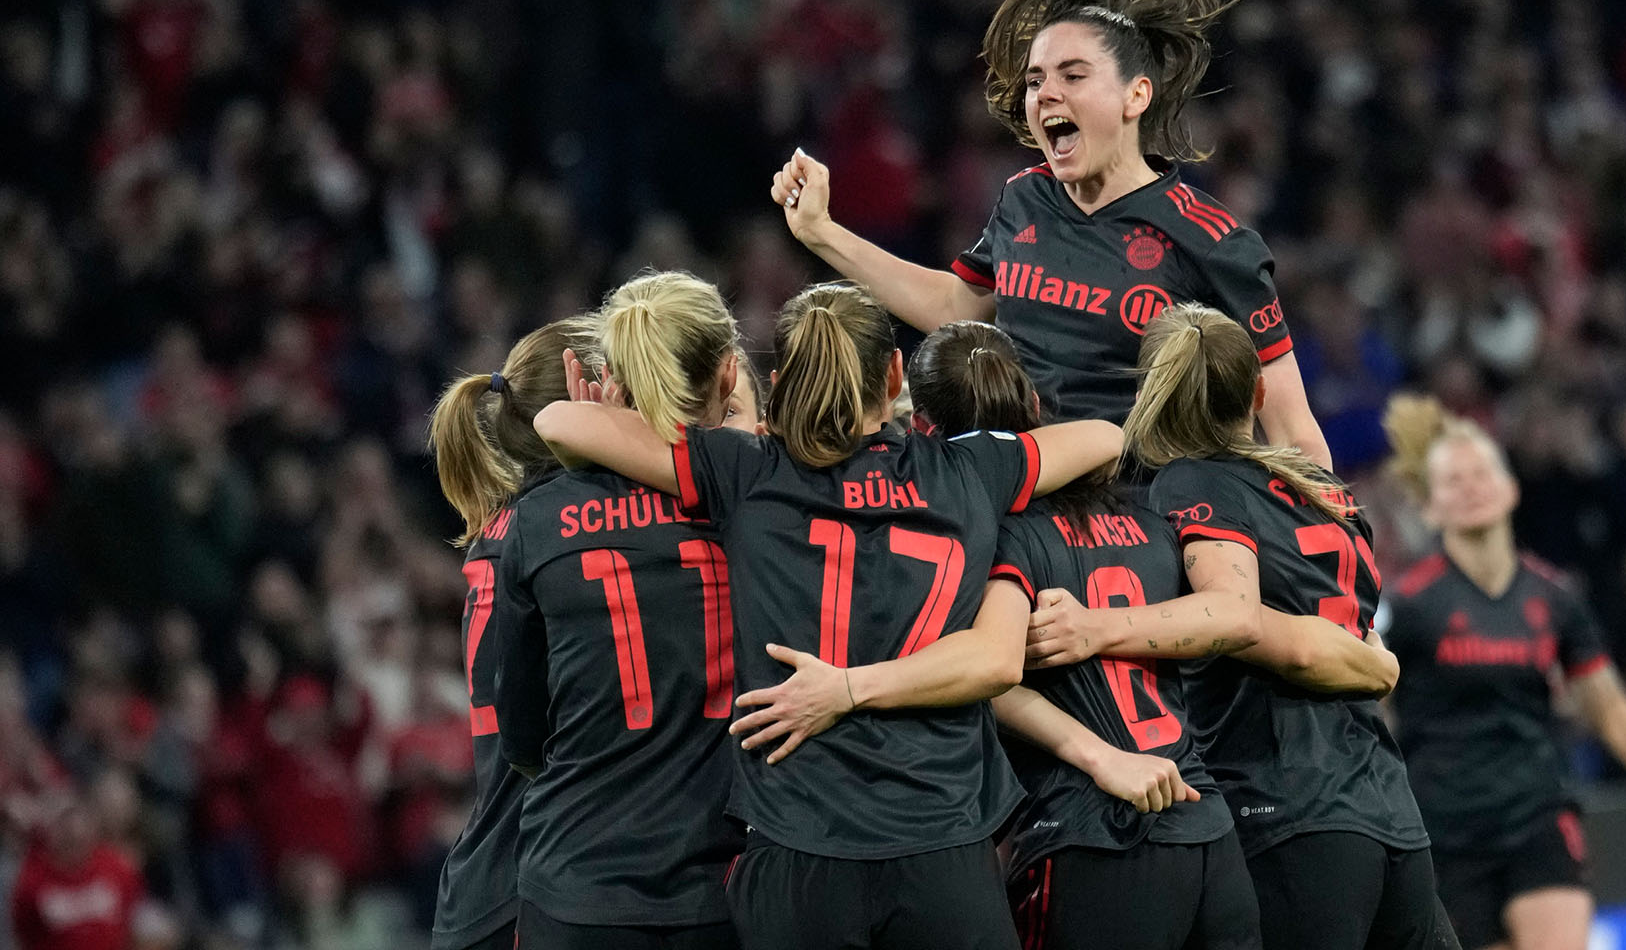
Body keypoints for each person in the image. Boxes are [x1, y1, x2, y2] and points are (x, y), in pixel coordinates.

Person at [533, 283, 1124, 950]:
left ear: (781, 380)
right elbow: (1106, 438)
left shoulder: (746, 471)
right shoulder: (971, 469)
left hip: (799, 850)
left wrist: (710, 421)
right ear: (894, 374)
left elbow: (558, 420)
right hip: (943, 850)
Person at [768, 0, 1329, 466]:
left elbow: (1290, 428)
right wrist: (821, 232)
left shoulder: (1212, 240)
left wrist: (1338, 542)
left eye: (1073, 75)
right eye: (1036, 80)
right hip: (1019, 505)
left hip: (1138, 526)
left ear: (1136, 96)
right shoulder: (1024, 198)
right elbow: (958, 304)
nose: (1045, 94)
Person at [903, 320, 1261, 950]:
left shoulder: (985, 536)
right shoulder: (1151, 526)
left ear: (923, 428)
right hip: (1206, 828)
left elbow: (989, 669)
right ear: (1037, 407)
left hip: (1093, 833)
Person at [1128, 304, 1454, 950]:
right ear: (1255, 393)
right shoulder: (1324, 491)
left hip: (1287, 806)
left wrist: (1093, 627)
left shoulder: (1192, 483)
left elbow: (1236, 614)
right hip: (1385, 805)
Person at [1379, 395, 1626, 950]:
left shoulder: (1556, 599)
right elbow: (1374, 711)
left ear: (1511, 488)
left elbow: (1607, 709)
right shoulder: (1411, 606)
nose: (1470, 486)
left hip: (1536, 815)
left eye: (1481, 472)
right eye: (1453, 480)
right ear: (1429, 509)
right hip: (1445, 831)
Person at [489, 273, 760, 950]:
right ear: (729, 375)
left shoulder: (538, 520)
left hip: (575, 888)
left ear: (611, 382)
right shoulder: (764, 498)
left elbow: (520, 732)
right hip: (721, 891)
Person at [425, 313, 600, 950]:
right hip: (536, 892)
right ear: (588, 391)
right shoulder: (568, 533)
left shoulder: (510, 526)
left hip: (489, 881)